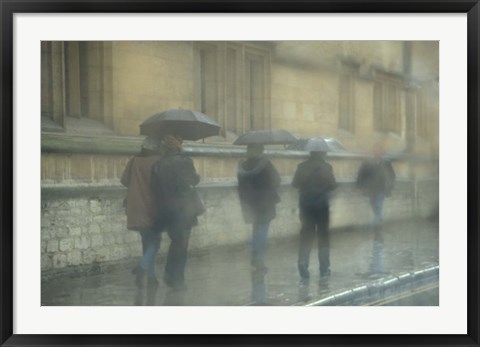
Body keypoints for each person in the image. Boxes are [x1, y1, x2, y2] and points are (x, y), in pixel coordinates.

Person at [151, 134, 203, 291]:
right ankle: (176, 279)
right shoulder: (185, 161)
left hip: (166, 209)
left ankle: (171, 275)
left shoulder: (158, 165)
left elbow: (154, 188)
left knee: (176, 242)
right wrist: (197, 177)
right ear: (178, 145)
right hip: (183, 209)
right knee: (181, 244)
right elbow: (192, 180)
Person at [121, 136, 163, 305]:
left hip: (135, 206)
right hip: (151, 206)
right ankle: (143, 268)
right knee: (155, 241)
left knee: (146, 242)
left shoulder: (134, 160)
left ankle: (151, 278)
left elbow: (124, 181)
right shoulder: (159, 161)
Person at [292, 147, 337, 280]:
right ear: (323, 152)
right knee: (323, 237)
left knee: (306, 235)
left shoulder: (301, 166)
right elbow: (333, 185)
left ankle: (302, 262)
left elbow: (294, 184)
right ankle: (324, 269)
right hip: (322, 206)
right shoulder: (327, 167)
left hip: (306, 206)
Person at [237, 143, 281, 272]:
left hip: (251, 204)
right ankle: (259, 260)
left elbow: (241, 187)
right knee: (262, 233)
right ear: (260, 151)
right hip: (265, 204)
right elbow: (276, 180)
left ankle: (255, 257)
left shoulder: (243, 165)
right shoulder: (266, 165)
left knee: (256, 231)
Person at [356, 142, 396, 230]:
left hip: (381, 189)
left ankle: (378, 227)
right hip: (371, 189)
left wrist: (390, 187)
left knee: (378, 207)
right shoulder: (368, 162)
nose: (377, 151)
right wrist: (360, 186)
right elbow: (361, 174)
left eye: (379, 150)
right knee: (375, 207)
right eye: (376, 150)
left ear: (382, 152)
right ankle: (378, 222)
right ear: (373, 151)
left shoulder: (386, 163)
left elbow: (392, 175)